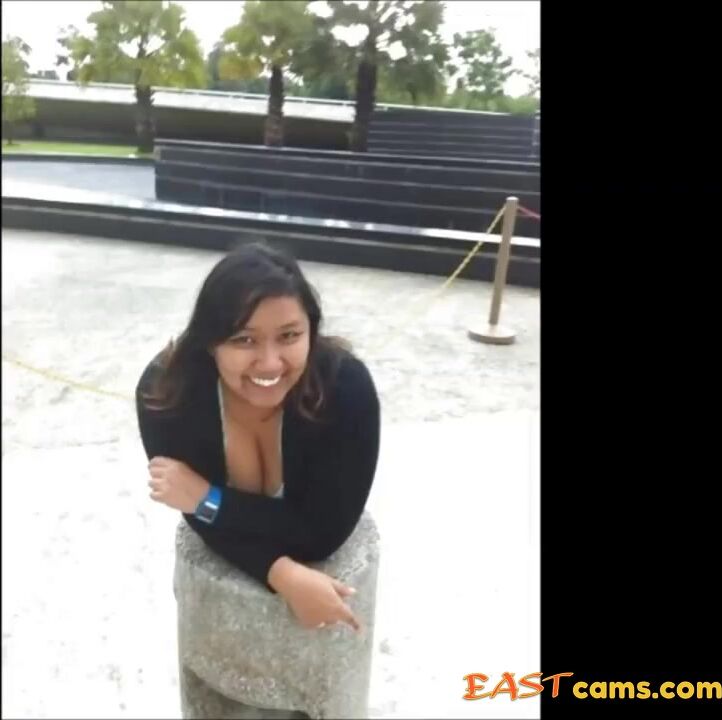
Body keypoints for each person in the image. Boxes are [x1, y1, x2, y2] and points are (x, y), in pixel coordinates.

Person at [135, 242, 380, 632]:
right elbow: (192, 511)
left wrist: (209, 498)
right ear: (210, 342)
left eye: (289, 336)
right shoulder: (166, 395)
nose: (269, 363)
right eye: (243, 340)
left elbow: (323, 532)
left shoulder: (345, 389)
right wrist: (281, 573)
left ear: (311, 332)